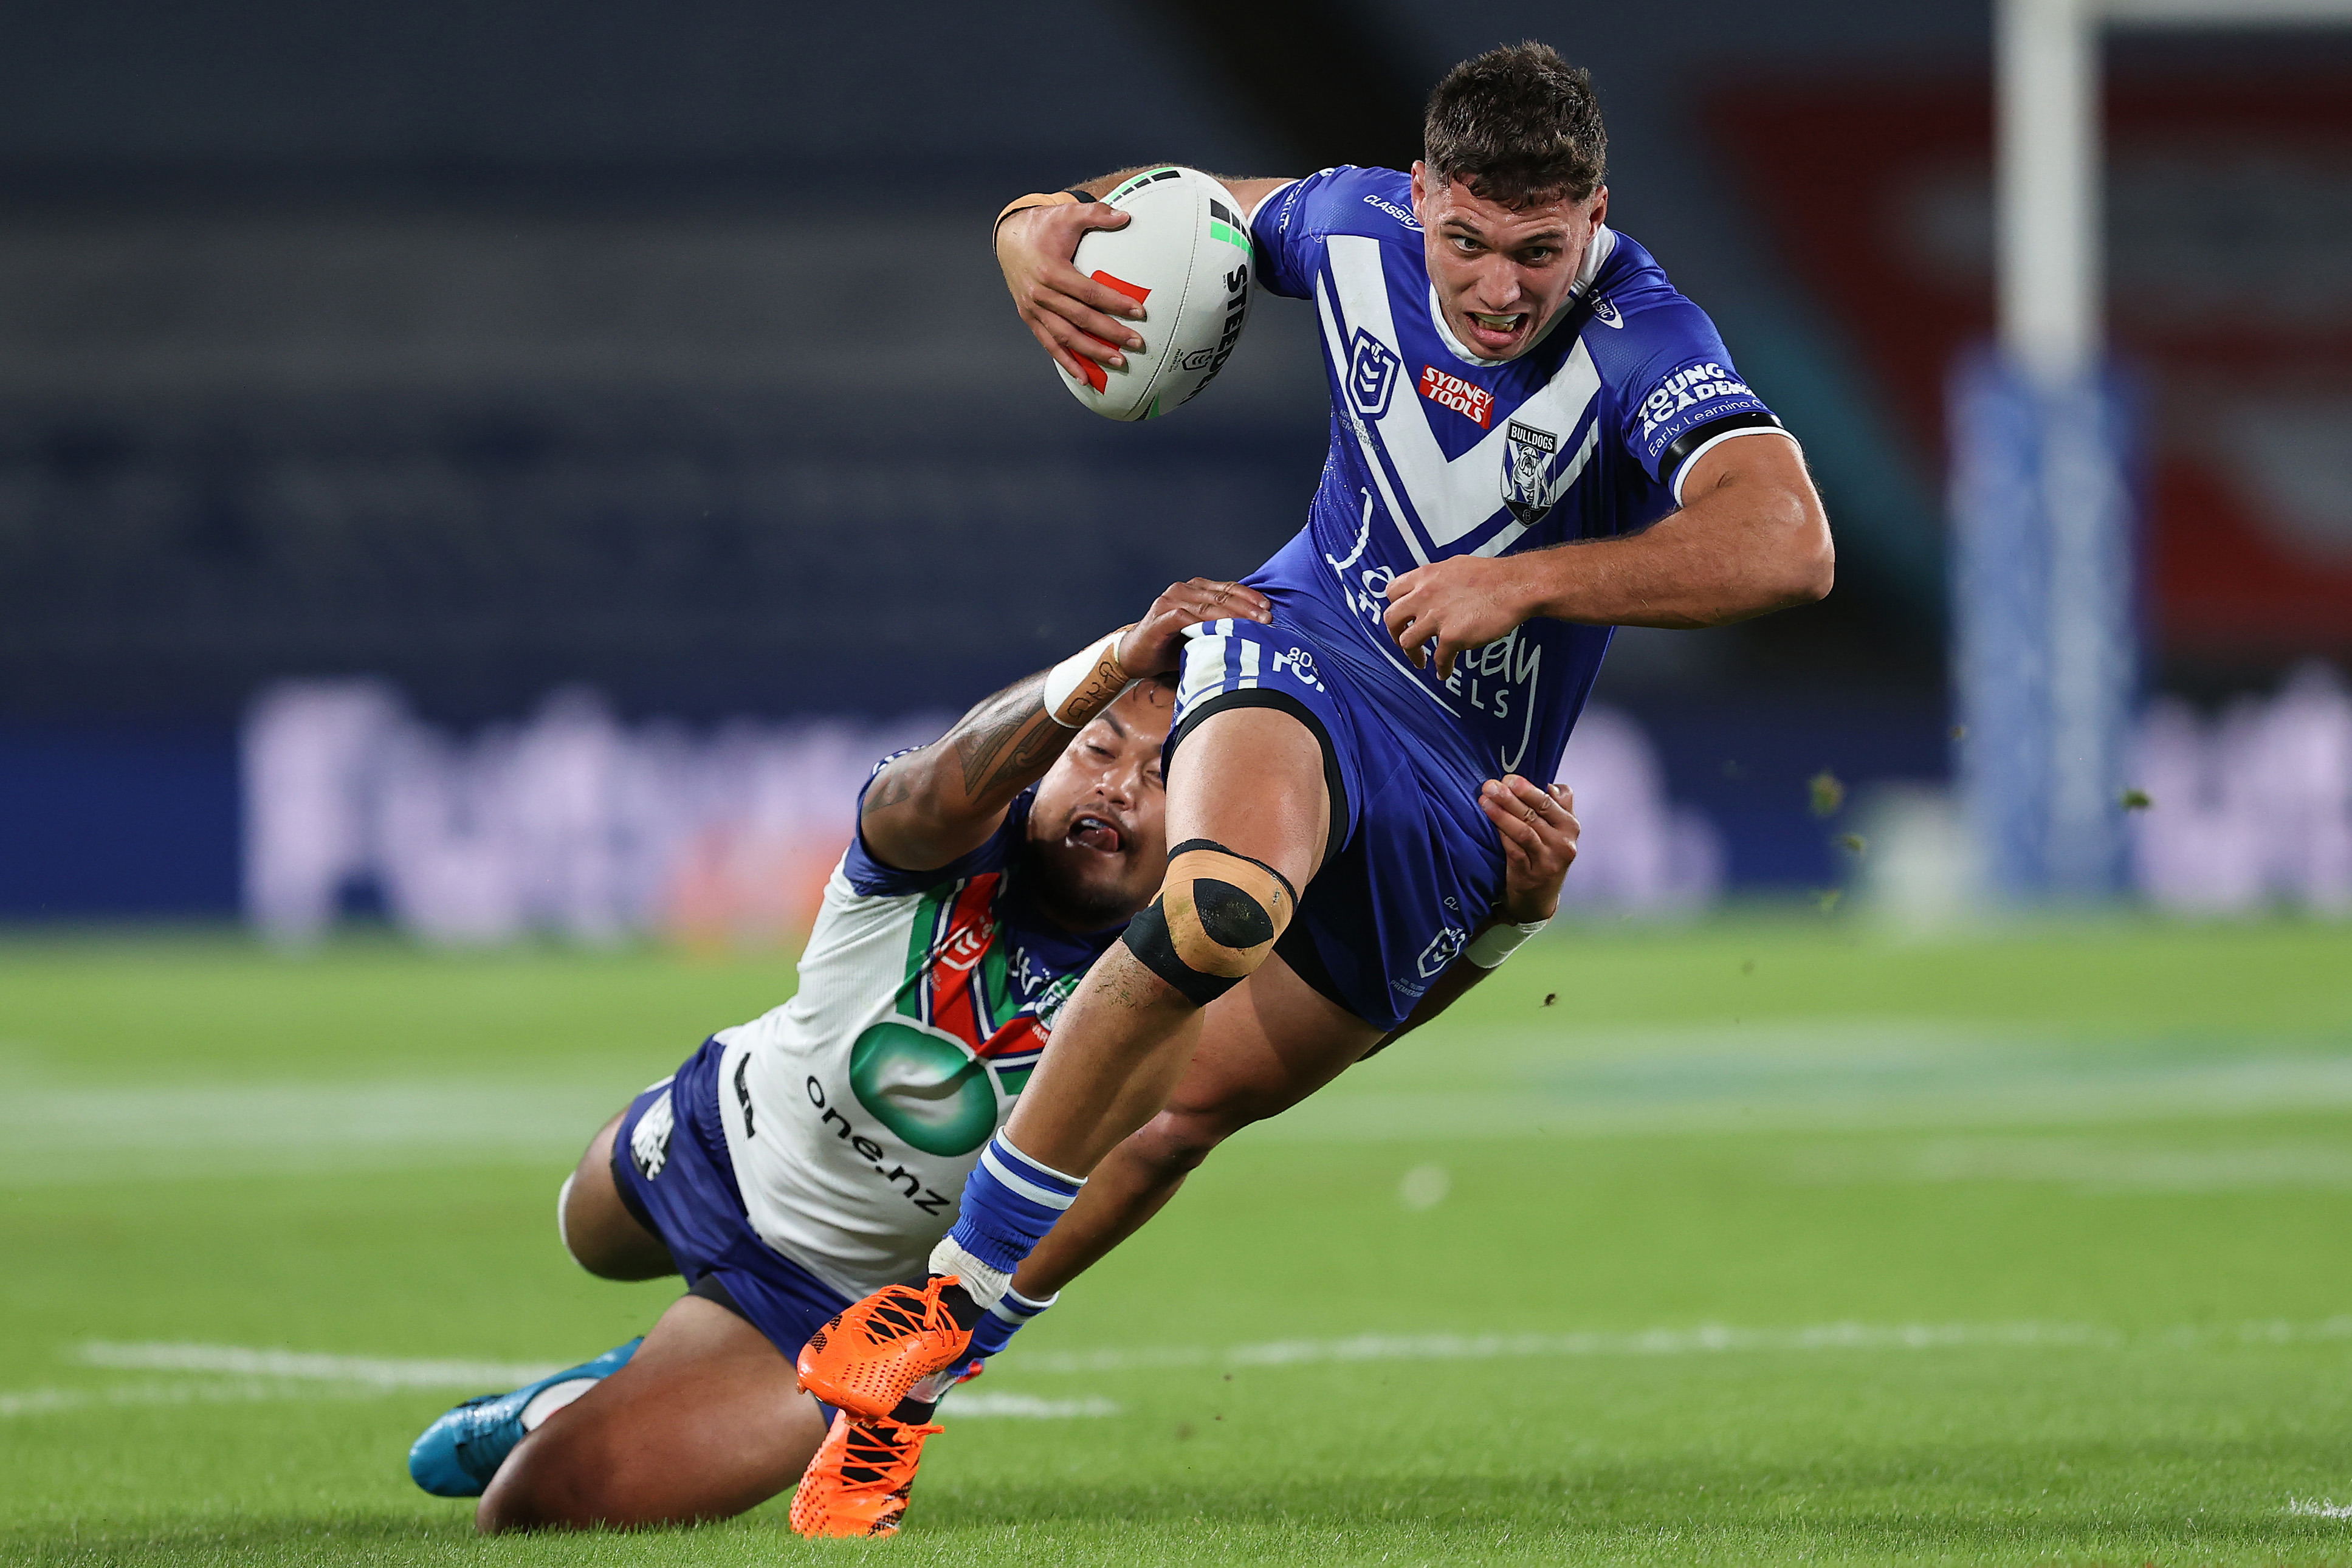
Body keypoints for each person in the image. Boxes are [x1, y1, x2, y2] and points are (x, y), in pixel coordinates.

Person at [796, 39, 1834, 1431]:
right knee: (1217, 908)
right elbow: (1165, 204)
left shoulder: (1647, 337)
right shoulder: (1348, 221)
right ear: (1420, 198)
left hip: (1460, 789)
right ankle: (935, 1307)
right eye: (1466, 242)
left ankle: (904, 1394)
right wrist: (1030, 226)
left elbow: (1787, 545)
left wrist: (1529, 580)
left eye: (1539, 248)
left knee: (1182, 1117)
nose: (1500, 287)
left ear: (1594, 214)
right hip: (1301, 647)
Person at [404, 579, 1248, 1536]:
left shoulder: (1173, 980)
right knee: (587, 1235)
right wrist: (1107, 662)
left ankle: (577, 1403)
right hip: (710, 1130)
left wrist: (946, 1352)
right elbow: (933, 787)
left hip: (822, 1304)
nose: (1116, 786)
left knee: (529, 1514)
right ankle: (641, 1375)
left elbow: (1137, 1167)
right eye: (1099, 752)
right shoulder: (943, 837)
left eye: (1162, 778)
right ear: (1051, 763)